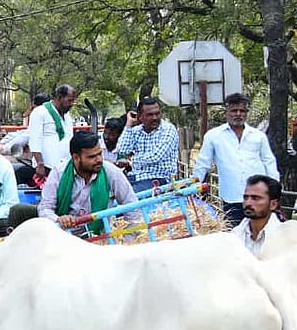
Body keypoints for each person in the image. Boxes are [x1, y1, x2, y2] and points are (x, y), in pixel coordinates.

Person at [193, 93, 280, 224]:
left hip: (259, 197)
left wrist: (274, 191)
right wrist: (194, 188)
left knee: (262, 234)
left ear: (247, 112)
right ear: (227, 112)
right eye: (234, 110)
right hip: (231, 196)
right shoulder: (213, 136)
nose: (238, 114)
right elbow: (203, 164)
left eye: (242, 111)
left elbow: (269, 162)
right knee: (236, 236)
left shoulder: (258, 136)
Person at [39, 131, 136, 231]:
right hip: (65, 237)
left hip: (101, 238)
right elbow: (45, 208)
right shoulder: (59, 172)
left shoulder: (111, 172)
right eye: (92, 157)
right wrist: (58, 219)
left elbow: (133, 208)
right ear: (76, 158)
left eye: (99, 154)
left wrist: (129, 239)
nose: (99, 159)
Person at [116, 97, 180, 193]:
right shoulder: (136, 131)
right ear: (140, 117)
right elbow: (122, 149)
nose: (155, 118)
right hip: (135, 177)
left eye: (157, 113)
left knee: (127, 196)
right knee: (108, 192)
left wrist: (131, 160)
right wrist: (129, 125)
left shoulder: (168, 129)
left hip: (159, 180)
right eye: (150, 115)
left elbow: (155, 156)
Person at [27, 84, 78, 183]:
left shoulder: (67, 116)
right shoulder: (40, 112)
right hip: (46, 167)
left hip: (65, 167)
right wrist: (40, 164)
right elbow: (35, 140)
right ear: (59, 97)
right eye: (69, 100)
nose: (72, 104)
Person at [232, 175, 282, 255]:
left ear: (273, 204)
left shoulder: (283, 238)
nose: (248, 203)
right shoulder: (235, 234)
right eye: (246, 198)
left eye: (255, 198)